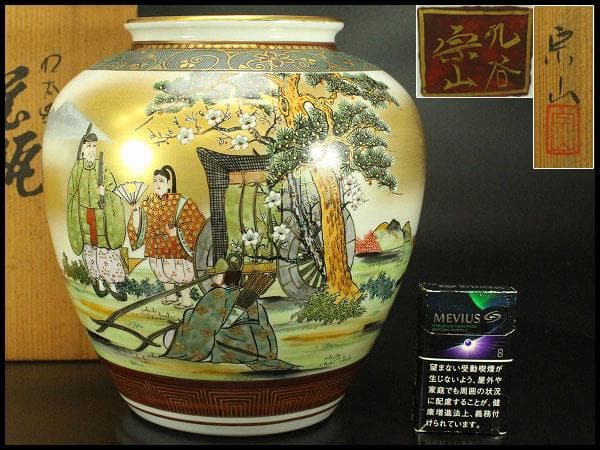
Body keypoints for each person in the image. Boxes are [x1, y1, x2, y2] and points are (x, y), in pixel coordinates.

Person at [162, 259, 295, 371]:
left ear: (221, 275)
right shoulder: (249, 296)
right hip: (262, 351)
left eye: (216, 275)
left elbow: (201, 326)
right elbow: (265, 327)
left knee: (169, 337)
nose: (214, 278)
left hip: (232, 350)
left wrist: (188, 315)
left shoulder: (218, 294)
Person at [128, 165, 205, 308]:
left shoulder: (181, 202)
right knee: (162, 273)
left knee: (180, 274)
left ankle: (186, 299)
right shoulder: (148, 203)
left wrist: (178, 231)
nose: (157, 183)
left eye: (161, 180)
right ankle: (171, 296)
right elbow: (139, 227)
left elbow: (196, 222)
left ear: (169, 184)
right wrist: (136, 213)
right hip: (155, 247)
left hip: (175, 247)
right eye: (155, 180)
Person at [67, 126, 127, 301]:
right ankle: (99, 283)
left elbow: (113, 189)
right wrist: (78, 204)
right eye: (88, 146)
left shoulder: (102, 167)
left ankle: (112, 285)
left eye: (94, 146)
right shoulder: (77, 168)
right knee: (90, 251)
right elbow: (71, 193)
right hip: (84, 217)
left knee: (105, 250)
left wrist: (104, 193)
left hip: (102, 218)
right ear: (83, 148)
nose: (91, 150)